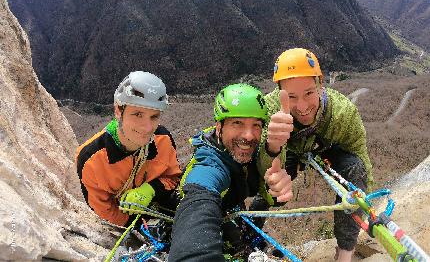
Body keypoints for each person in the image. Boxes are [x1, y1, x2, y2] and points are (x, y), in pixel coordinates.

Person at [257, 48, 373, 262]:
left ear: (321, 84)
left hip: (328, 148)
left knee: (354, 173)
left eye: (309, 93)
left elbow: (360, 158)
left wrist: (363, 201)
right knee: (269, 188)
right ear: (279, 92)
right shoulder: (268, 109)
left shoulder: (342, 113)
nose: (301, 106)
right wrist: (271, 147)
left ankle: (345, 252)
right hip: (288, 150)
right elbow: (260, 163)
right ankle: (252, 235)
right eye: (291, 96)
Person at [168, 84, 293, 261]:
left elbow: (262, 182)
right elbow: (199, 196)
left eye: (256, 125)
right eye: (237, 123)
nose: (249, 136)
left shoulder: (250, 153)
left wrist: (275, 190)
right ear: (219, 127)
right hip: (207, 221)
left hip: (233, 213)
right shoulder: (209, 163)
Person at [76, 71, 182, 226]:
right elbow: (103, 213)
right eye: (138, 114)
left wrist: (151, 189)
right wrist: (140, 226)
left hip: (163, 210)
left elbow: (172, 178)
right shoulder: (91, 159)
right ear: (118, 111)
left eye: (154, 117)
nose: (147, 128)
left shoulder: (163, 139)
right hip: (125, 226)